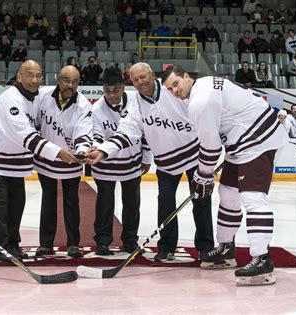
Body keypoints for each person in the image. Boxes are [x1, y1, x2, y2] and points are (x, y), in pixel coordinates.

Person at [162, 66, 288, 285]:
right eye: (170, 89)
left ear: (187, 76)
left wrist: (202, 175)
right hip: (241, 142)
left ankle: (262, 258)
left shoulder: (201, 100)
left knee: (252, 198)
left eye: (176, 84)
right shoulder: (205, 84)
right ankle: (226, 248)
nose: (175, 91)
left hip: (257, 141)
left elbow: (210, 147)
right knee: (228, 192)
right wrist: (205, 174)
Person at [87, 63, 214, 261]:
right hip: (166, 162)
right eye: (135, 80)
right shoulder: (135, 105)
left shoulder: (173, 91)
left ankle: (205, 247)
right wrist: (104, 150)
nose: (140, 82)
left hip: (193, 157)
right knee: (165, 204)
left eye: (143, 77)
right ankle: (166, 247)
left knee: (201, 200)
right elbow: (127, 131)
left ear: (152, 75)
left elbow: (204, 113)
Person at [0, 60, 77, 262]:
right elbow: (26, 136)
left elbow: (62, 91)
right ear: (19, 77)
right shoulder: (10, 100)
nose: (34, 80)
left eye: (38, 76)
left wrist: (68, 86)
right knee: (0, 210)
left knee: (16, 206)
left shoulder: (36, 96)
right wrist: (57, 152)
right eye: (29, 75)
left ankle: (12, 244)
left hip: (17, 165)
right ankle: (0, 249)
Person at [33, 66, 93, 258]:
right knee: (48, 201)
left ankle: (73, 244)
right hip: (46, 159)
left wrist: (82, 152)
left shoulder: (83, 104)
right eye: (66, 80)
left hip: (71, 161)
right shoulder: (42, 96)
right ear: (58, 79)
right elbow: (33, 123)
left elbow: (84, 131)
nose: (70, 85)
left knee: (71, 202)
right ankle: (46, 244)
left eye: (75, 81)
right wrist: (40, 148)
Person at [90, 67, 144, 255]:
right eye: (107, 90)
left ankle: (130, 240)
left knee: (132, 205)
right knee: (104, 205)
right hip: (105, 165)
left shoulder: (136, 102)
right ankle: (103, 241)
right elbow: (95, 134)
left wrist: (147, 157)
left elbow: (145, 131)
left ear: (123, 87)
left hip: (132, 163)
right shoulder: (96, 109)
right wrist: (96, 148)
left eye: (116, 90)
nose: (111, 95)